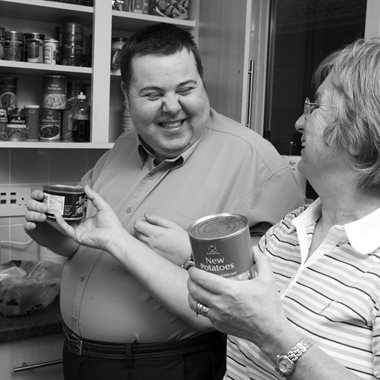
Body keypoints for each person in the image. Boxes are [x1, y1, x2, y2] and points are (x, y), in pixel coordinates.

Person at [24, 23, 304, 380]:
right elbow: (86, 243)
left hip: (171, 366)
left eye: (186, 89)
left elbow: (267, 297)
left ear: (203, 82)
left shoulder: (257, 162)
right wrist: (55, 236)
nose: (172, 107)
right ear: (126, 95)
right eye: (153, 94)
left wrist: (189, 252)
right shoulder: (123, 146)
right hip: (82, 359)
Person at [186, 37, 380, 380]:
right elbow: (234, 313)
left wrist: (271, 334)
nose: (299, 125)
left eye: (315, 108)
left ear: (358, 129)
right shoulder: (288, 229)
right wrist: (212, 296)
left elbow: (263, 326)